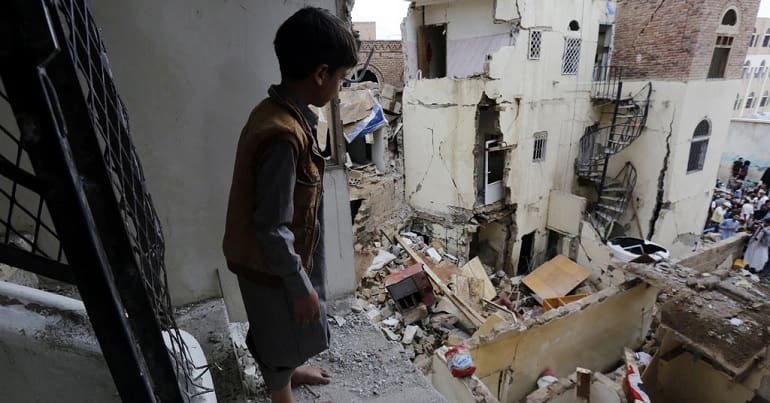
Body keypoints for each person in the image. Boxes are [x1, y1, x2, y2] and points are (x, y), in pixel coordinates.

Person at [222, 8, 357, 403]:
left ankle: (288, 371)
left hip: (272, 257)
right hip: (269, 262)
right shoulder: (282, 137)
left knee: (281, 329)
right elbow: (271, 227)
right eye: (341, 78)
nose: (340, 86)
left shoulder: (280, 113)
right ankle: (281, 391)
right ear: (320, 74)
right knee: (279, 331)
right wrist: (300, 287)